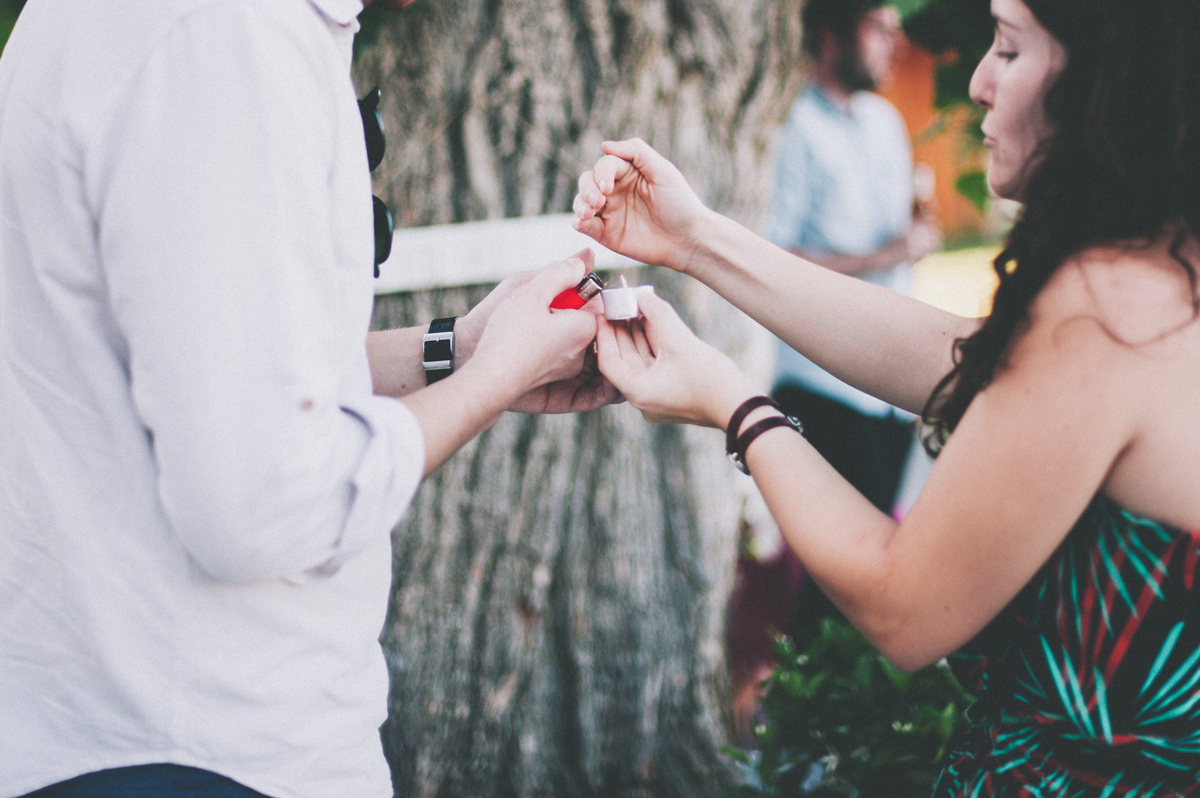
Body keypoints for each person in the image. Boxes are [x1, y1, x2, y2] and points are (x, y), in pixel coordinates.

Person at [573, 0, 1200, 791]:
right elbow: (956, 358)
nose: (977, 84)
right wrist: (695, 239)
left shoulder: (1107, 310)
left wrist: (731, 404)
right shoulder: (1166, 280)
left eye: (1007, 50)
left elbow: (904, 609)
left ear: (1108, 81)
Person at [0, 0, 615, 796]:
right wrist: (492, 380)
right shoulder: (227, 36)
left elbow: (212, 372)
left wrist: (459, 350)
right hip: (198, 749)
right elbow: (258, 504)